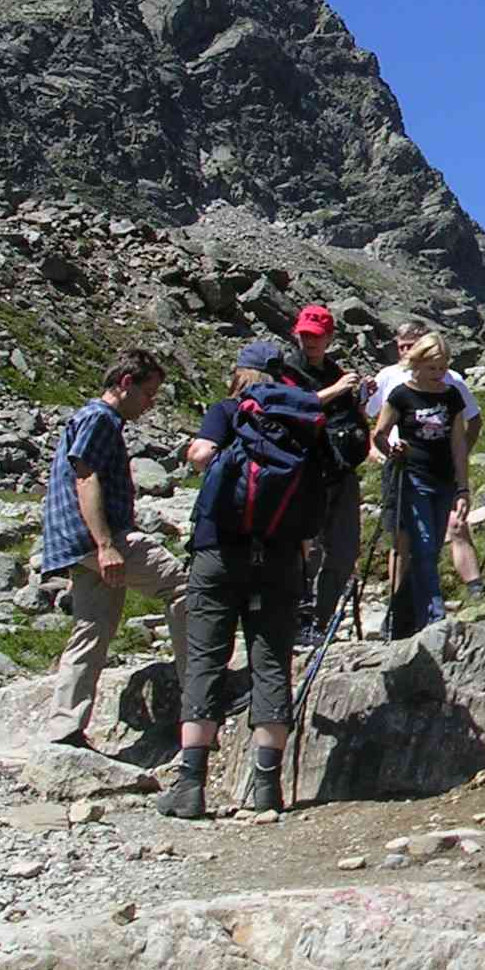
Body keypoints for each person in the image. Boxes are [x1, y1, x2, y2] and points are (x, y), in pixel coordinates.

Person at [154, 350, 311, 819]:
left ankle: (190, 786)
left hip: (219, 552)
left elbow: (201, 454)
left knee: (204, 659)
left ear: (238, 374)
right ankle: (267, 788)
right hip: (281, 556)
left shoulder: (227, 411)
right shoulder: (300, 420)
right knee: (271, 662)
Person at [37, 349, 189, 749]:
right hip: (97, 538)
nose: (150, 403)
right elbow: (85, 478)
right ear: (126, 384)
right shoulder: (101, 419)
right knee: (182, 586)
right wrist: (106, 545)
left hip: (73, 542)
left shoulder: (89, 417)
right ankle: (199, 692)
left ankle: (64, 729)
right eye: (148, 393)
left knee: (93, 628)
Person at [367, 320, 485, 604]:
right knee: (404, 539)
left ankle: (470, 588)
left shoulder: (451, 384)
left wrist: (461, 464)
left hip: (441, 470)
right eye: (402, 347)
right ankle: (404, 604)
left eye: (411, 345)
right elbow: (372, 420)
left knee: (444, 533)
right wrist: (377, 448)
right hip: (402, 469)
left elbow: (471, 423)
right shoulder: (390, 379)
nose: (406, 352)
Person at [276, 305, 369, 646]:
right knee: (307, 550)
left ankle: (321, 619)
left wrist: (359, 396)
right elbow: (293, 406)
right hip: (305, 473)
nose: (309, 341)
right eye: (304, 335)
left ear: (329, 338)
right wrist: (337, 390)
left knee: (343, 551)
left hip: (341, 471)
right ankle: (297, 618)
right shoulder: (285, 371)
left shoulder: (335, 372)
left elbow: (351, 418)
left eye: (316, 336)